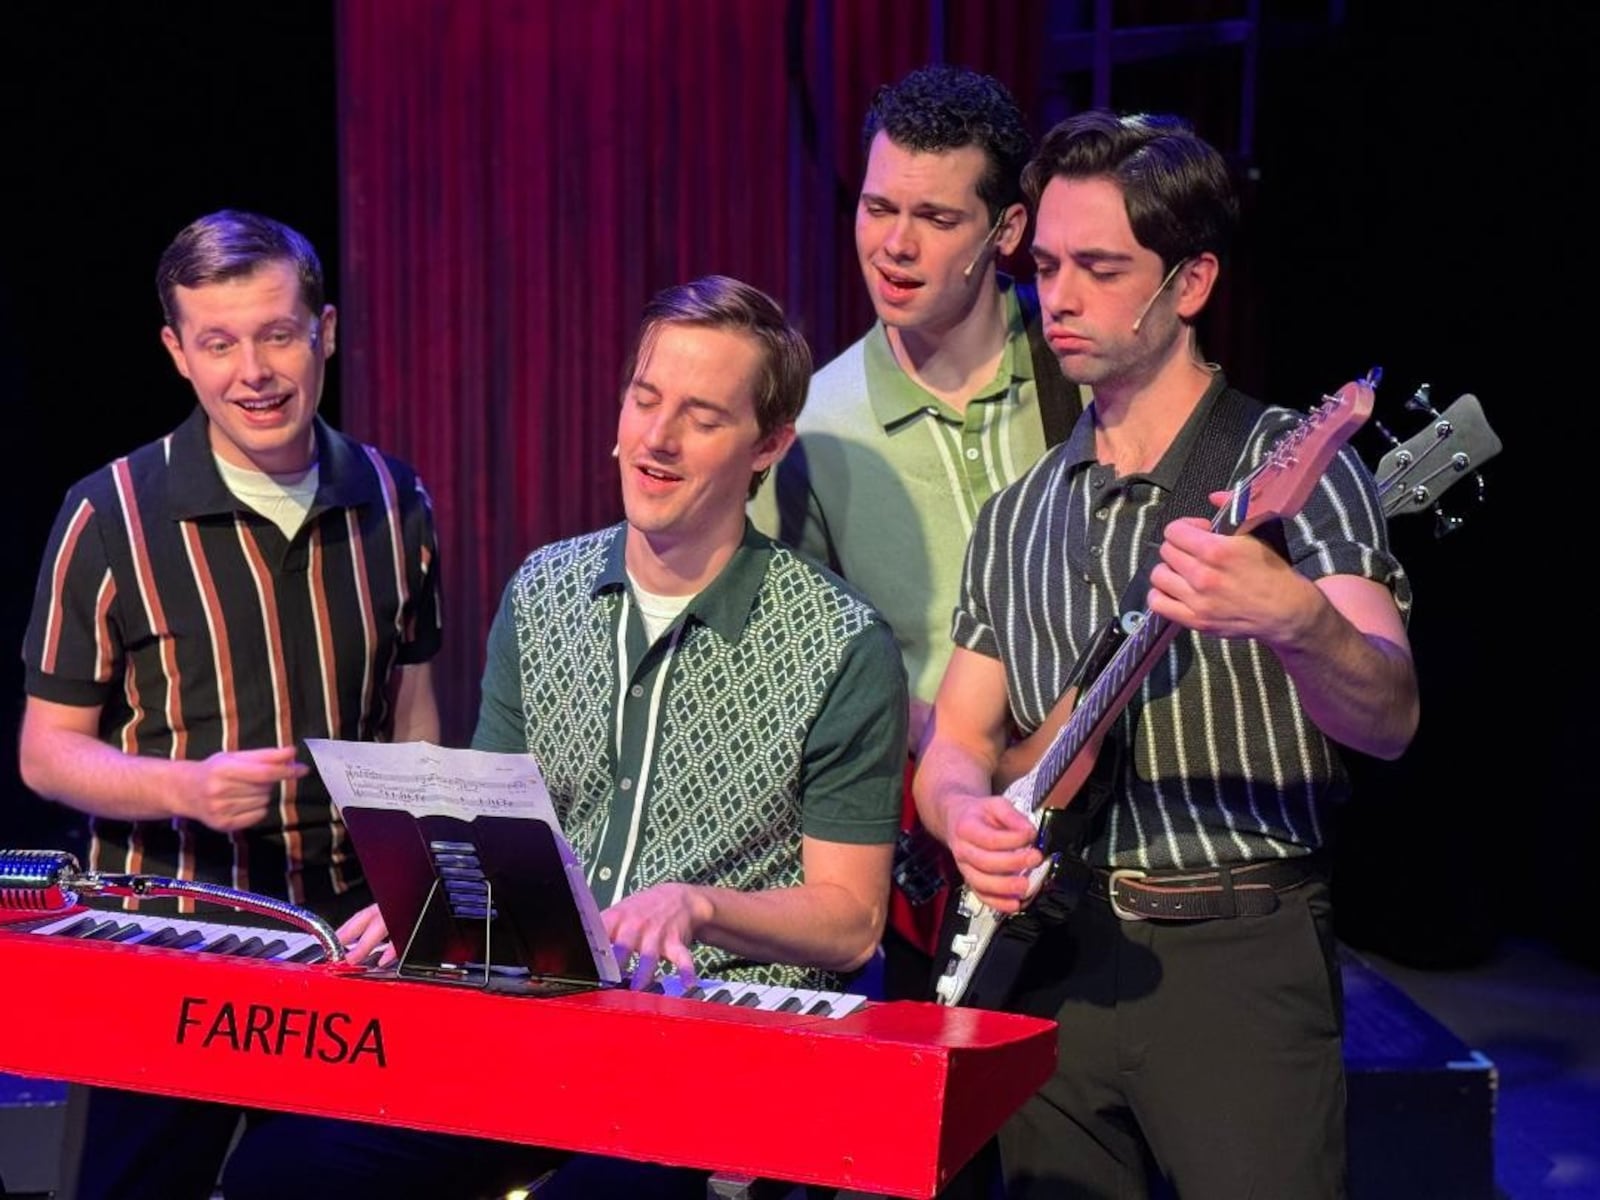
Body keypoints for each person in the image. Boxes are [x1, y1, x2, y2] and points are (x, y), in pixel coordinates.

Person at [218, 274, 908, 1200]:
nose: (656, 440)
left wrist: (698, 905)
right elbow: (491, 816)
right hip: (538, 1023)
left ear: (769, 447)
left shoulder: (840, 643)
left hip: (716, 1050)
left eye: (702, 417)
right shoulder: (544, 591)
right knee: (283, 1169)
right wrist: (428, 896)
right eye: (645, 398)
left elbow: (852, 917)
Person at [913, 110, 1420, 1199]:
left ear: (1189, 284)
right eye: (1045, 265)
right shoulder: (1015, 516)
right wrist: (967, 820)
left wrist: (1299, 620)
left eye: (1100, 268)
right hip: (1048, 956)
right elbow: (955, 744)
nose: (1059, 296)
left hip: (1239, 952)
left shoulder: (1293, 470)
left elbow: (1387, 717)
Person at [17, 210, 443, 1199]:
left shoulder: (395, 500)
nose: (254, 371)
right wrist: (189, 789)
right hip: (163, 937)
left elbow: (415, 722)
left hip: (345, 941)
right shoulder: (107, 513)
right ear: (178, 351)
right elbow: (46, 755)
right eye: (219, 342)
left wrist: (407, 888)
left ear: (324, 330)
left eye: (277, 334)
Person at [751, 63, 1073, 1000]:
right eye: (877, 208)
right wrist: (940, 741)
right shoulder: (813, 426)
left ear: (1007, 229)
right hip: (944, 866)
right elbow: (802, 664)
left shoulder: (1084, 375)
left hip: (1118, 843)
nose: (894, 246)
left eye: (935, 220)